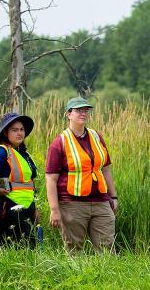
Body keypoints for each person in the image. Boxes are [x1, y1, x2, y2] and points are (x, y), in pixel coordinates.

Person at [45, 97, 119, 252]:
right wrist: (54, 209)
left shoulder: (96, 137)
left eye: (86, 110)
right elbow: (51, 178)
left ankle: (105, 276)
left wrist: (113, 197)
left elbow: (106, 169)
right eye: (78, 110)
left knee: (107, 248)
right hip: (72, 204)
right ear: (69, 114)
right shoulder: (60, 142)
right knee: (74, 249)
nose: (83, 113)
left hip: (101, 201)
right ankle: (77, 277)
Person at [0, 112, 39, 246]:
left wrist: (34, 209)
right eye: (14, 130)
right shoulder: (2, 151)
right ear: (5, 133)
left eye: (22, 129)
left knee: (30, 250)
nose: (19, 133)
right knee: (17, 251)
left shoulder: (23, 154)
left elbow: (29, 183)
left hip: (25, 208)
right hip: (6, 207)